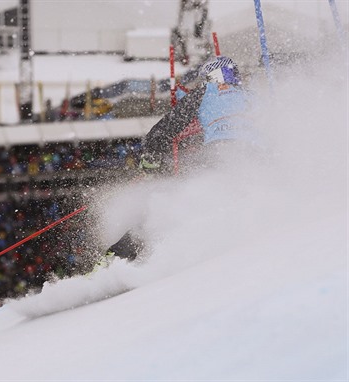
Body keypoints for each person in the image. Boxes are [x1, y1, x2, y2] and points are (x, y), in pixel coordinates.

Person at [99, 55, 258, 266]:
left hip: (219, 155)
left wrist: (150, 162)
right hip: (257, 158)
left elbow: (162, 131)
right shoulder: (253, 97)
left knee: (172, 204)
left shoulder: (206, 93)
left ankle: (121, 257)